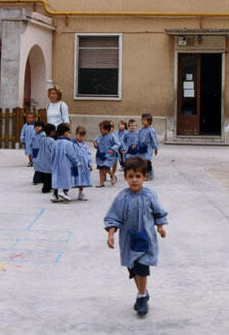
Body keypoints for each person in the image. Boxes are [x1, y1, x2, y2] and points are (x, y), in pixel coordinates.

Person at [104, 157, 169, 317]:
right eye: (131, 176)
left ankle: (141, 297)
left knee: (142, 268)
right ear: (125, 177)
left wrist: (160, 226)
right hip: (128, 239)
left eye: (138, 176)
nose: (134, 180)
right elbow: (114, 216)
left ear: (145, 177)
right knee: (133, 269)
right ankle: (143, 292)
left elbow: (158, 212)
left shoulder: (150, 196)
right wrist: (111, 234)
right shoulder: (122, 197)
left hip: (145, 238)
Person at [50, 123, 79, 203]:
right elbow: (72, 155)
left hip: (56, 164)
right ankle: (64, 192)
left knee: (56, 178)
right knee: (67, 178)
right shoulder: (69, 143)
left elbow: (52, 154)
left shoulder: (55, 142)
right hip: (66, 164)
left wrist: (52, 162)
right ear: (66, 132)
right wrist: (77, 162)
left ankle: (55, 194)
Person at [94, 120, 120, 187]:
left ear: (107, 129)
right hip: (101, 154)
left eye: (101, 129)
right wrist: (95, 143)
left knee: (106, 167)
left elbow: (117, 144)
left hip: (109, 155)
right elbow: (96, 140)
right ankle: (101, 183)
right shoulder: (101, 136)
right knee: (100, 168)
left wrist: (112, 149)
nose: (100, 131)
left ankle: (112, 176)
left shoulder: (112, 136)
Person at [33, 123, 56, 193]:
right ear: (52, 132)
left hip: (41, 160)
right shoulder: (52, 141)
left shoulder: (42, 139)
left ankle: (45, 186)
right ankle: (47, 187)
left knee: (44, 175)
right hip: (48, 161)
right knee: (49, 176)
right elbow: (53, 151)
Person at [72, 125, 93, 201]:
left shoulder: (84, 145)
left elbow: (88, 154)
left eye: (82, 136)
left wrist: (90, 164)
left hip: (83, 166)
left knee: (82, 179)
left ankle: (81, 193)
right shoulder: (72, 145)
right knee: (73, 179)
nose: (81, 137)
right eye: (79, 135)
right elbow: (71, 155)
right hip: (75, 165)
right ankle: (66, 192)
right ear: (76, 134)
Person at [137, 114, 159, 180]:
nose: (143, 121)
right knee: (142, 162)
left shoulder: (151, 130)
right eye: (142, 120)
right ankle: (150, 171)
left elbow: (154, 140)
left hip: (148, 148)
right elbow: (138, 137)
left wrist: (155, 148)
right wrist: (136, 144)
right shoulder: (141, 129)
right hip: (141, 147)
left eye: (144, 120)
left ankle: (146, 175)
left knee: (146, 160)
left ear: (149, 121)